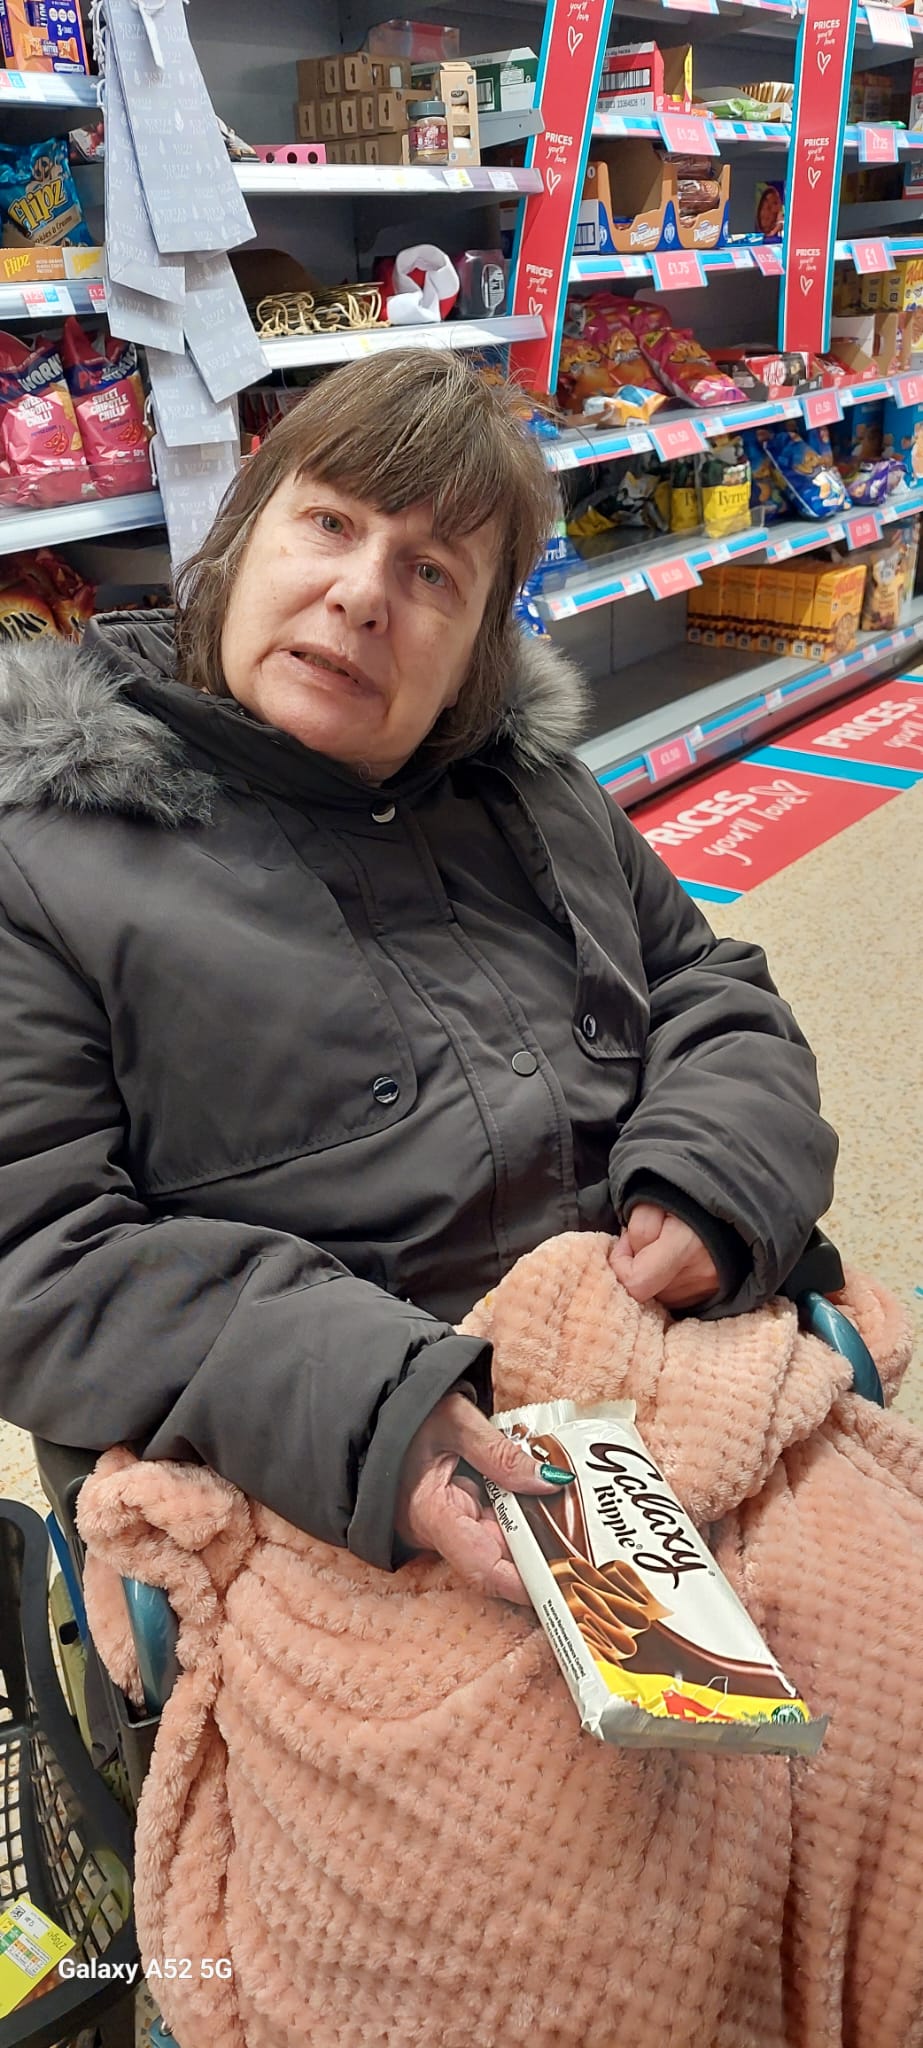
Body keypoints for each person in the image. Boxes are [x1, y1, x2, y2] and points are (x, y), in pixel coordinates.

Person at [0, 350, 836, 1606]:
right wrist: (380, 1415)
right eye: (329, 523)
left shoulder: (537, 792)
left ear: (477, 654)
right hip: (322, 1477)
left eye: (431, 571)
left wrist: (711, 1181)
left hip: (661, 1365)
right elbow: (36, 1255)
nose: (360, 595)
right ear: (235, 542)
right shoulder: (44, 856)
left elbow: (706, 988)